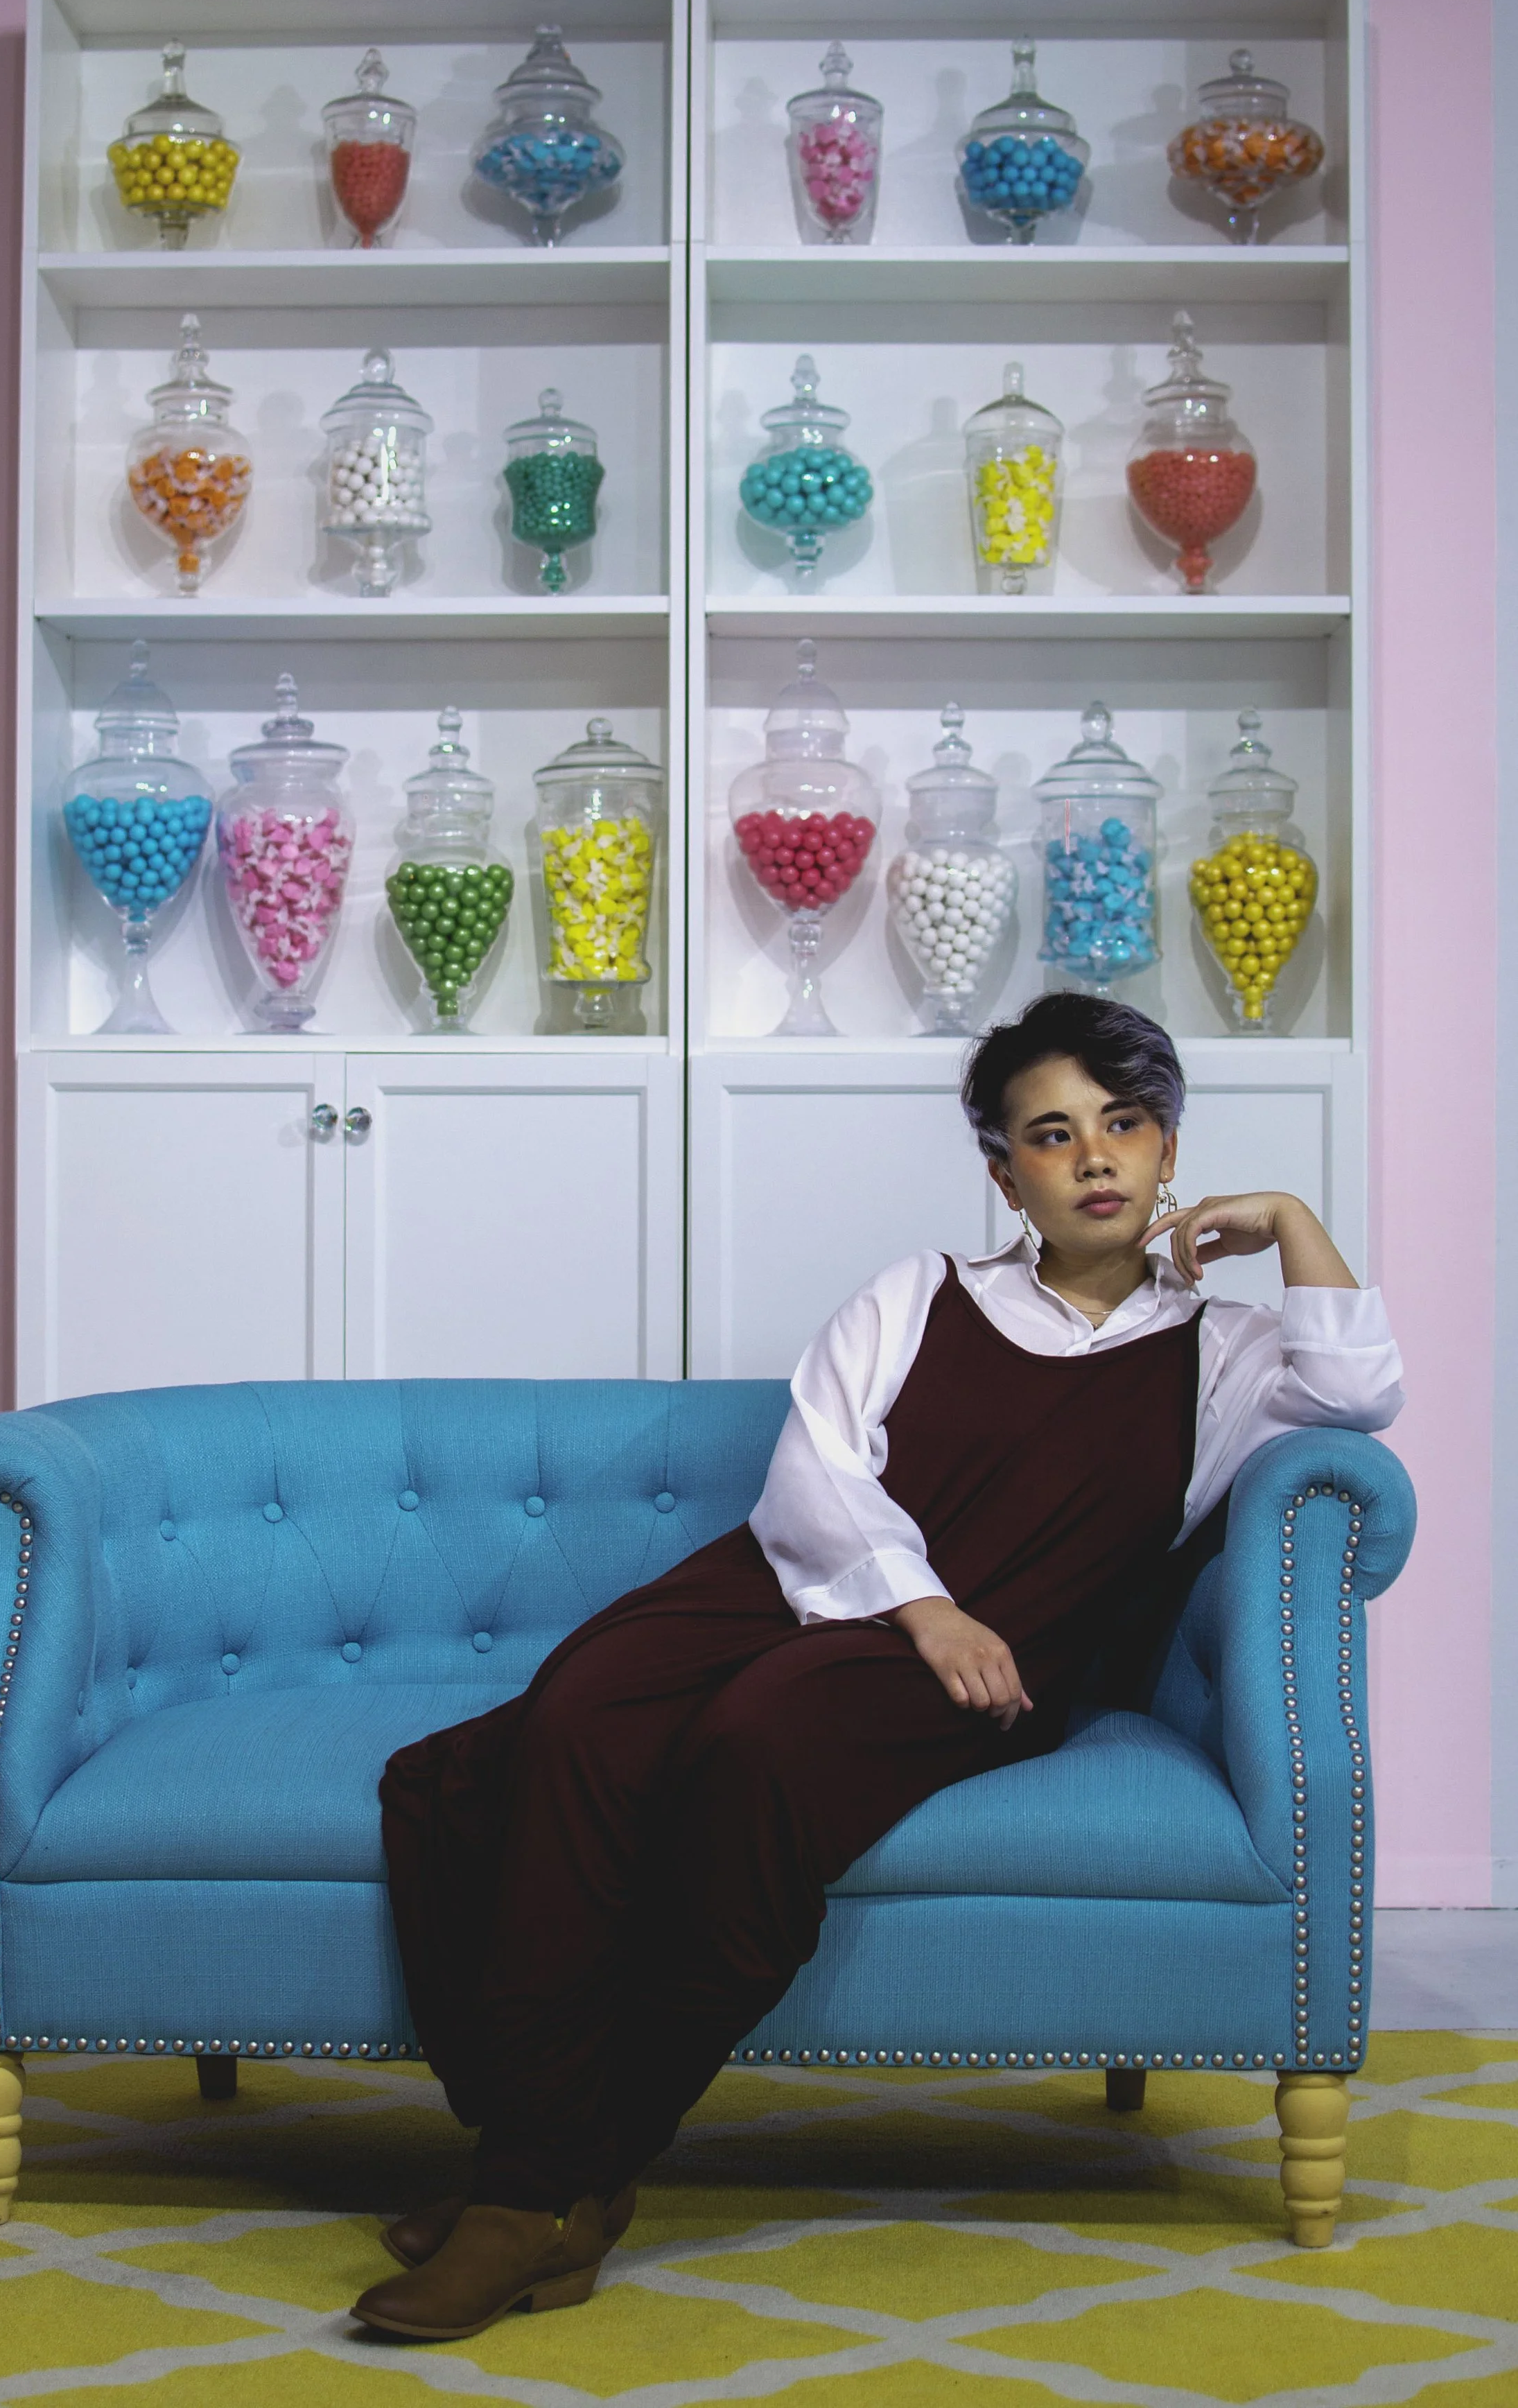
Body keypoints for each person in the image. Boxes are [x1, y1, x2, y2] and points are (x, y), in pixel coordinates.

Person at [353, 993, 1402, 2341]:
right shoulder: (921, 1290)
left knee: (753, 1748)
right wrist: (922, 1606)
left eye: (1124, 1123)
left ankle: (531, 2189)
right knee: (570, 1716)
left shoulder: (1227, 1353)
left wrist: (1291, 1221)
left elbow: (1359, 1396)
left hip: (992, 1652)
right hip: (791, 1589)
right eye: (1050, 1133)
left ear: (1166, 1149)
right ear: (1003, 1174)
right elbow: (820, 1469)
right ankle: (553, 2159)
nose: (1093, 1155)